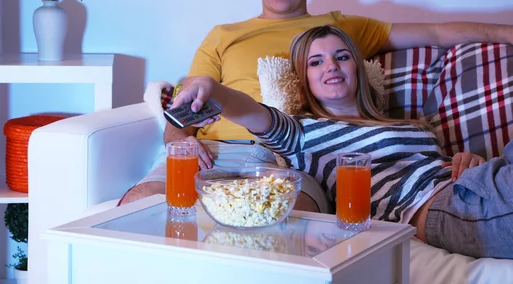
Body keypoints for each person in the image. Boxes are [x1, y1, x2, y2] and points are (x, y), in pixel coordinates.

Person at [120, 0, 513, 211]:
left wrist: (505, 33)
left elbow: (437, 34)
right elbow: (186, 108)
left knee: (287, 217)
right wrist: (182, 142)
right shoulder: (224, 34)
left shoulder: (338, 30)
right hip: (218, 150)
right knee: (140, 204)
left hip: (293, 156)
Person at [173, 25, 513, 259]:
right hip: (445, 210)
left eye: (342, 56)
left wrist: (468, 158)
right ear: (303, 81)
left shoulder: (412, 124)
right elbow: (246, 109)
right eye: (316, 62)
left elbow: (432, 168)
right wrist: (209, 87)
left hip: (478, 183)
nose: (331, 66)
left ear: (358, 68)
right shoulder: (303, 132)